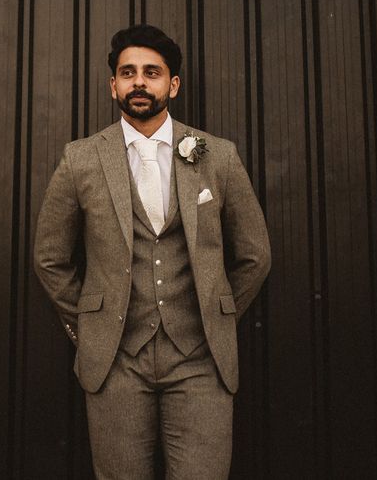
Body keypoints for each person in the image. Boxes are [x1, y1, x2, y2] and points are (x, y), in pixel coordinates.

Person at [33, 24, 271, 479]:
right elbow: (50, 258)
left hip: (201, 362)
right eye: (128, 73)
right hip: (116, 361)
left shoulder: (216, 155)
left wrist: (216, 317)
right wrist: (93, 325)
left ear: (172, 84)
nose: (139, 82)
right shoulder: (80, 159)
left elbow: (255, 254)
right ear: (113, 85)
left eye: (152, 72)